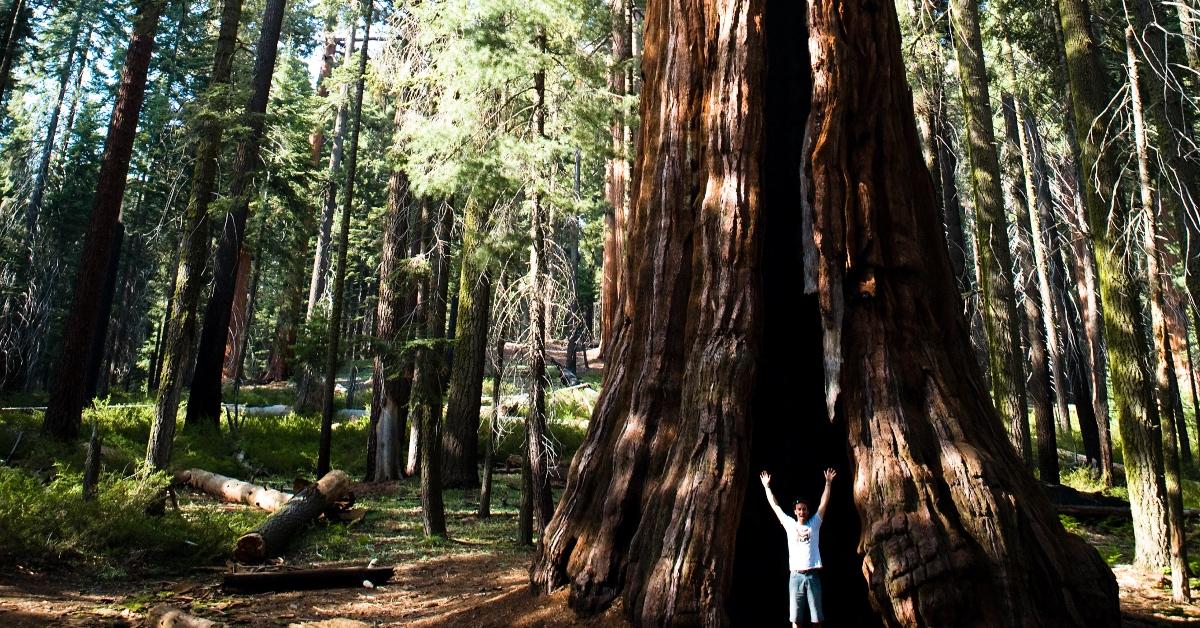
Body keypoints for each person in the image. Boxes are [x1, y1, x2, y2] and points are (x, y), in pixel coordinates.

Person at [760, 468, 836, 627]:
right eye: (799, 509)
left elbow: (823, 503)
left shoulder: (814, 524)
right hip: (795, 577)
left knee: (816, 619)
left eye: (804, 509)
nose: (802, 511)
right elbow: (775, 506)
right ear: (795, 511)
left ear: (808, 511)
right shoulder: (789, 524)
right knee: (796, 619)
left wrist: (828, 483)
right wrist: (767, 487)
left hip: (813, 575)